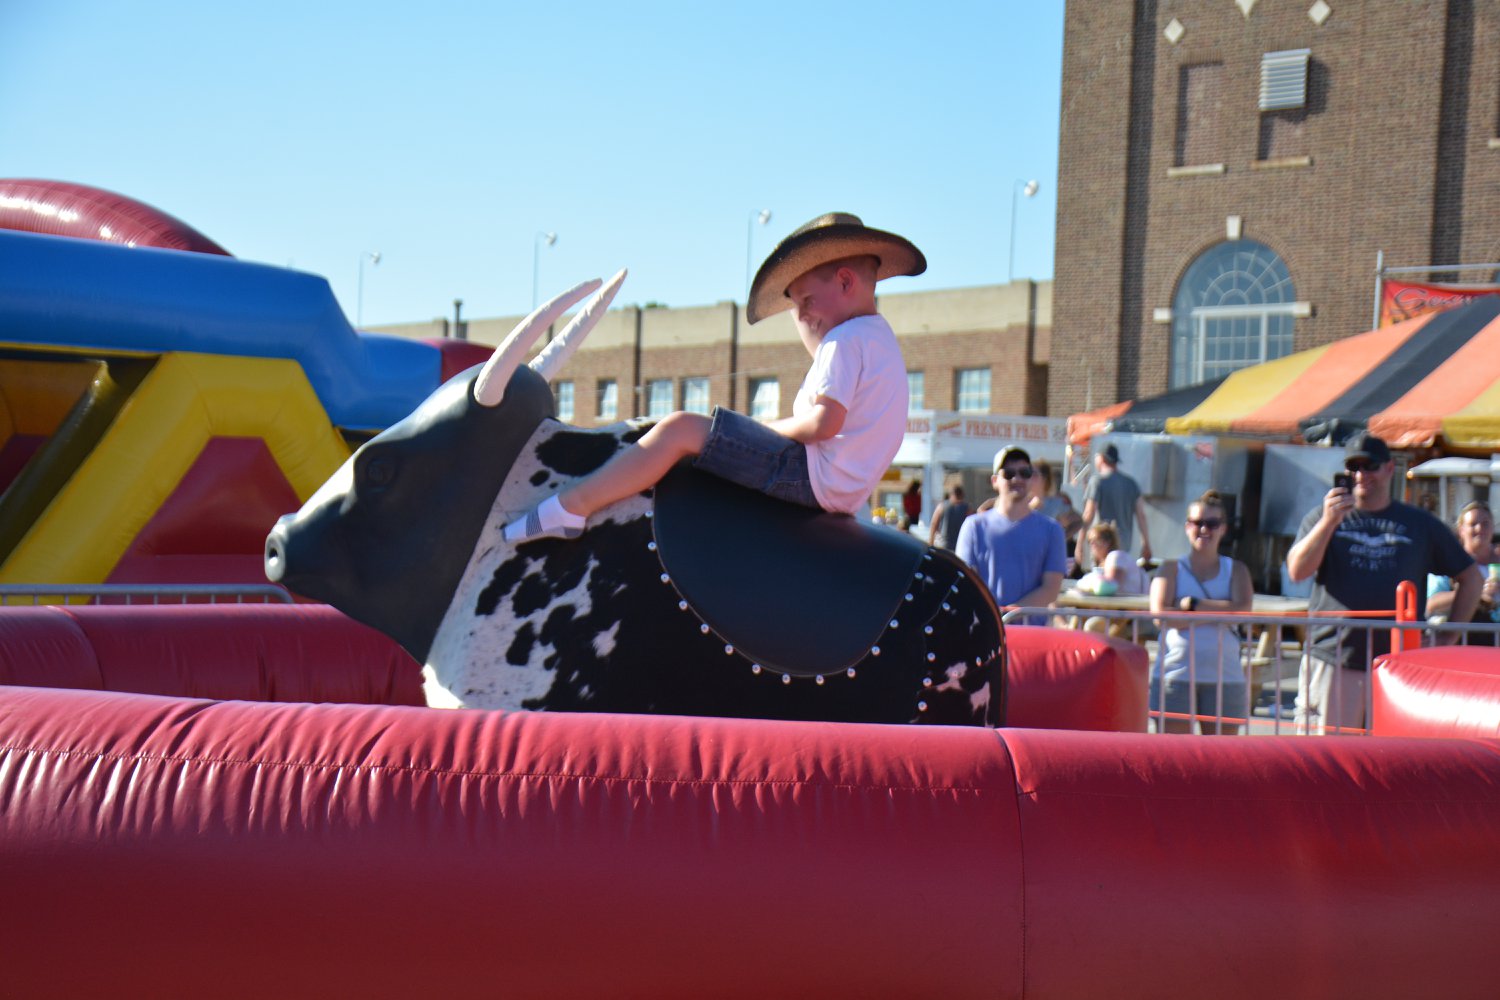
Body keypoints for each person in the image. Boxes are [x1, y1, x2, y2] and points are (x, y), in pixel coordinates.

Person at [503, 213, 924, 542]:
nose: (803, 316)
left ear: (846, 281)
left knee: (678, 429)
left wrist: (761, 429)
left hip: (811, 476)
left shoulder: (843, 340)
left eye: (807, 301)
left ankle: (571, 506)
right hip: (844, 493)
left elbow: (822, 423)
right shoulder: (879, 340)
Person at [1286, 432, 1481, 735]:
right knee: (1327, 762)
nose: (1362, 475)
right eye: (1354, 468)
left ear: (1389, 469)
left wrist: (1449, 636)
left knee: (1392, 761)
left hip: (1399, 665)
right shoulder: (1323, 517)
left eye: (1370, 466)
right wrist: (1328, 522)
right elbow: (1297, 571)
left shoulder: (1419, 523)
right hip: (1334, 655)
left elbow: (1471, 578)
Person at [1149, 491, 1254, 735]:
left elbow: (1243, 610)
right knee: (1174, 759)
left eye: (1212, 524)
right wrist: (1221, 610)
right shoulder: (1170, 568)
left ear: (1223, 529)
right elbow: (1160, 616)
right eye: (1198, 523)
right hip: (1176, 674)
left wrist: (1192, 606)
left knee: (1221, 761)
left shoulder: (1236, 569)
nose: (1204, 530)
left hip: (1224, 677)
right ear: (1187, 526)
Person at [956, 446, 1066, 625]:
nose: (1017, 479)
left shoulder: (1052, 530)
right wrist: (994, 620)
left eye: (1025, 472)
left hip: (1031, 639)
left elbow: (1051, 589)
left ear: (1031, 479)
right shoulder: (973, 527)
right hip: (985, 634)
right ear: (994, 481)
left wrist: (1008, 616)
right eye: (1009, 473)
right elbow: (967, 585)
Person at [1427, 500, 1500, 644]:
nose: (1480, 529)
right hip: (1464, 639)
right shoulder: (1449, 563)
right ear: (1461, 530)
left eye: (1485, 523)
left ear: (1493, 528)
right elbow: (1431, 603)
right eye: (1473, 524)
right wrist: (1474, 593)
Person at [1075, 443, 1152, 571]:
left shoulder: (1097, 481)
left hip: (1101, 544)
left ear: (1101, 458)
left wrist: (1080, 542)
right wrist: (1146, 544)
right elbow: (1141, 516)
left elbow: (1089, 513)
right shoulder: (1131, 483)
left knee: (1100, 580)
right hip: (1124, 546)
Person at [1077, 522, 1149, 596]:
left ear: (1108, 542)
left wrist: (1083, 583)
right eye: (1090, 541)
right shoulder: (1108, 562)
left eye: (1096, 540)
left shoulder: (1116, 556)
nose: (1092, 544)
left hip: (1130, 605)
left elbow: (1108, 587)